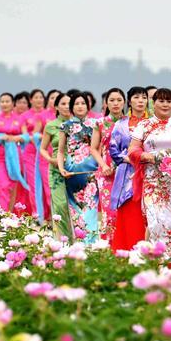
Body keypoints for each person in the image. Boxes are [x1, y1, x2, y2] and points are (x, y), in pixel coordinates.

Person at [128, 88, 171, 261]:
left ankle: (170, 261)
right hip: (153, 182)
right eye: (161, 101)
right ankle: (154, 259)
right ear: (153, 103)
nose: (165, 104)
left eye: (169, 101)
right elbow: (133, 150)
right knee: (155, 221)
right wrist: (149, 156)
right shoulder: (143, 125)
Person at [58, 93, 111, 244]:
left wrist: (102, 165)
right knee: (75, 210)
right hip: (72, 173)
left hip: (92, 172)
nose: (80, 106)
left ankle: (91, 243)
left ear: (88, 106)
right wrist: (62, 168)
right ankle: (80, 244)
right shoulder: (65, 126)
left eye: (83, 103)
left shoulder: (96, 123)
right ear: (71, 107)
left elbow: (101, 147)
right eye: (76, 104)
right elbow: (61, 151)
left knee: (91, 209)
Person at [109, 87, 149, 251]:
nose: (141, 100)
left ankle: (148, 251)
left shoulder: (153, 123)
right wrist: (130, 158)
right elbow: (113, 149)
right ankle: (125, 249)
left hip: (148, 173)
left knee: (147, 212)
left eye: (144, 97)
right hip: (126, 174)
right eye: (136, 97)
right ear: (130, 101)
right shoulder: (121, 124)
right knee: (128, 212)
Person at [0, 93, 31, 214]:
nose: (5, 104)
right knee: (3, 185)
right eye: (3, 101)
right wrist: (0, 136)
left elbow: (26, 136)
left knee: (12, 185)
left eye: (7, 101)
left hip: (14, 156)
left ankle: (10, 214)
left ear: (12, 104)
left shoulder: (19, 119)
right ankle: (3, 214)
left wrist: (16, 138)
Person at [91, 88, 126, 240]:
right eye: (112, 100)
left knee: (123, 211)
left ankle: (123, 243)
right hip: (105, 173)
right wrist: (103, 166)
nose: (116, 103)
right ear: (106, 103)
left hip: (125, 172)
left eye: (119, 100)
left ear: (124, 102)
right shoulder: (100, 123)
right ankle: (108, 245)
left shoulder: (129, 123)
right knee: (109, 211)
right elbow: (93, 148)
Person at [39, 92, 73, 240]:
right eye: (63, 104)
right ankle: (64, 239)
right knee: (60, 205)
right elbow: (42, 148)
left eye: (69, 103)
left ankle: (78, 237)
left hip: (75, 170)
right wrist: (50, 160)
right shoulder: (51, 126)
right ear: (56, 107)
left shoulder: (78, 124)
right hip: (55, 170)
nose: (66, 107)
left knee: (75, 206)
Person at [21, 89, 52, 222]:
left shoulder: (48, 114)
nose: (39, 100)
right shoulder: (25, 116)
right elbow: (26, 135)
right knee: (34, 184)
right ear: (30, 99)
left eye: (41, 97)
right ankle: (37, 214)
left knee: (48, 183)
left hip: (47, 152)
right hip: (31, 153)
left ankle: (50, 214)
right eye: (36, 97)